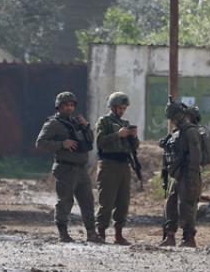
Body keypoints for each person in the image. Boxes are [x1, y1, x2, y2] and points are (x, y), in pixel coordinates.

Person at [35, 92, 102, 243]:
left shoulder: (76, 122)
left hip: (81, 168)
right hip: (65, 168)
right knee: (65, 201)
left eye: (71, 105)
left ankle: (91, 233)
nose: (69, 108)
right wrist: (62, 144)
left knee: (87, 201)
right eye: (65, 105)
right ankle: (63, 233)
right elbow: (40, 143)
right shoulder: (53, 124)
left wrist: (86, 126)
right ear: (58, 107)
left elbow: (90, 141)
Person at [94, 92, 138, 245]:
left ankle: (118, 234)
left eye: (124, 108)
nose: (122, 111)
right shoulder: (104, 121)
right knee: (106, 200)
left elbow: (134, 147)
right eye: (119, 108)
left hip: (123, 164)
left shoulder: (125, 123)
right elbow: (100, 141)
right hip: (109, 164)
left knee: (123, 201)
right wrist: (117, 135)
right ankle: (101, 232)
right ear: (112, 107)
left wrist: (133, 136)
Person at [160, 101, 203, 247]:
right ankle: (170, 236)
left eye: (174, 116)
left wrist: (192, 176)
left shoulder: (191, 132)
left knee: (186, 205)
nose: (173, 120)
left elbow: (196, 156)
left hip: (188, 173)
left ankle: (188, 238)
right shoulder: (177, 132)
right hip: (176, 174)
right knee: (170, 204)